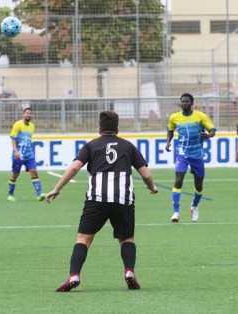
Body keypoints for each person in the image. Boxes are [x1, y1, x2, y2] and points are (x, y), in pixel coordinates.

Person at [46, 111, 158, 292]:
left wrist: (57, 188)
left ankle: (74, 275)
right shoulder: (128, 146)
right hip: (123, 197)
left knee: (84, 238)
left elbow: (75, 166)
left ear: (99, 129)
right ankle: (129, 271)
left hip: (97, 197)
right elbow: (146, 174)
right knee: (126, 238)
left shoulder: (91, 146)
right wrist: (152, 187)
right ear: (118, 129)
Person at [165, 93, 216, 223]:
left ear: (192, 103)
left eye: (187, 102)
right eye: (182, 102)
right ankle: (176, 212)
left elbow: (212, 130)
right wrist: (168, 142)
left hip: (197, 155)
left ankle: (194, 205)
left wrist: (208, 135)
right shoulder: (174, 117)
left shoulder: (200, 116)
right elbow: (170, 130)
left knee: (198, 185)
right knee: (178, 180)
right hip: (182, 154)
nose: (185, 104)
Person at [6, 107, 45, 202]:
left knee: (34, 171)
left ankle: (39, 194)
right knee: (15, 174)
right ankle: (10, 195)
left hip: (29, 155)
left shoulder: (32, 126)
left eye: (30, 113)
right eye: (27, 113)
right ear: (23, 114)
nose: (28, 115)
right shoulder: (17, 124)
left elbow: (29, 139)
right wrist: (16, 151)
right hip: (18, 155)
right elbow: (13, 138)